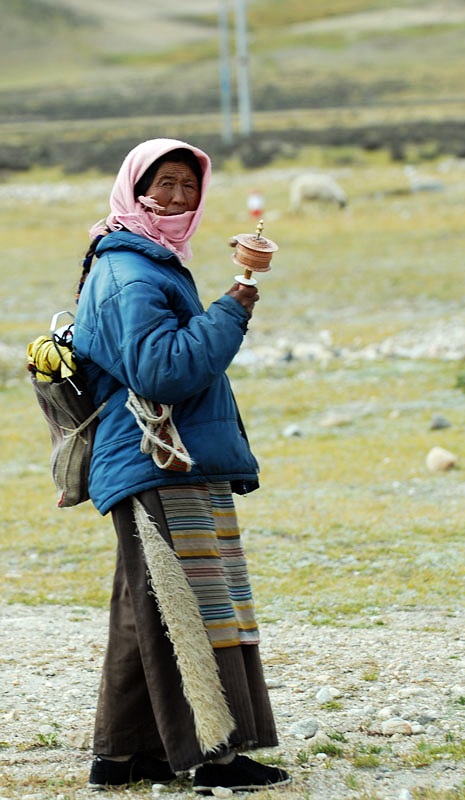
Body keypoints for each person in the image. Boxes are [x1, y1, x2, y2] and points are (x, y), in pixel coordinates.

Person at [73, 138, 291, 794]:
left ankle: (122, 757)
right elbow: (162, 370)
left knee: (150, 605)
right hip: (156, 460)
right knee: (188, 607)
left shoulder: (154, 261)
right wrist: (231, 310)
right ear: (134, 187)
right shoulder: (128, 268)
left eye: (187, 186)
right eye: (161, 183)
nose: (174, 197)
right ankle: (212, 760)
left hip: (169, 461)